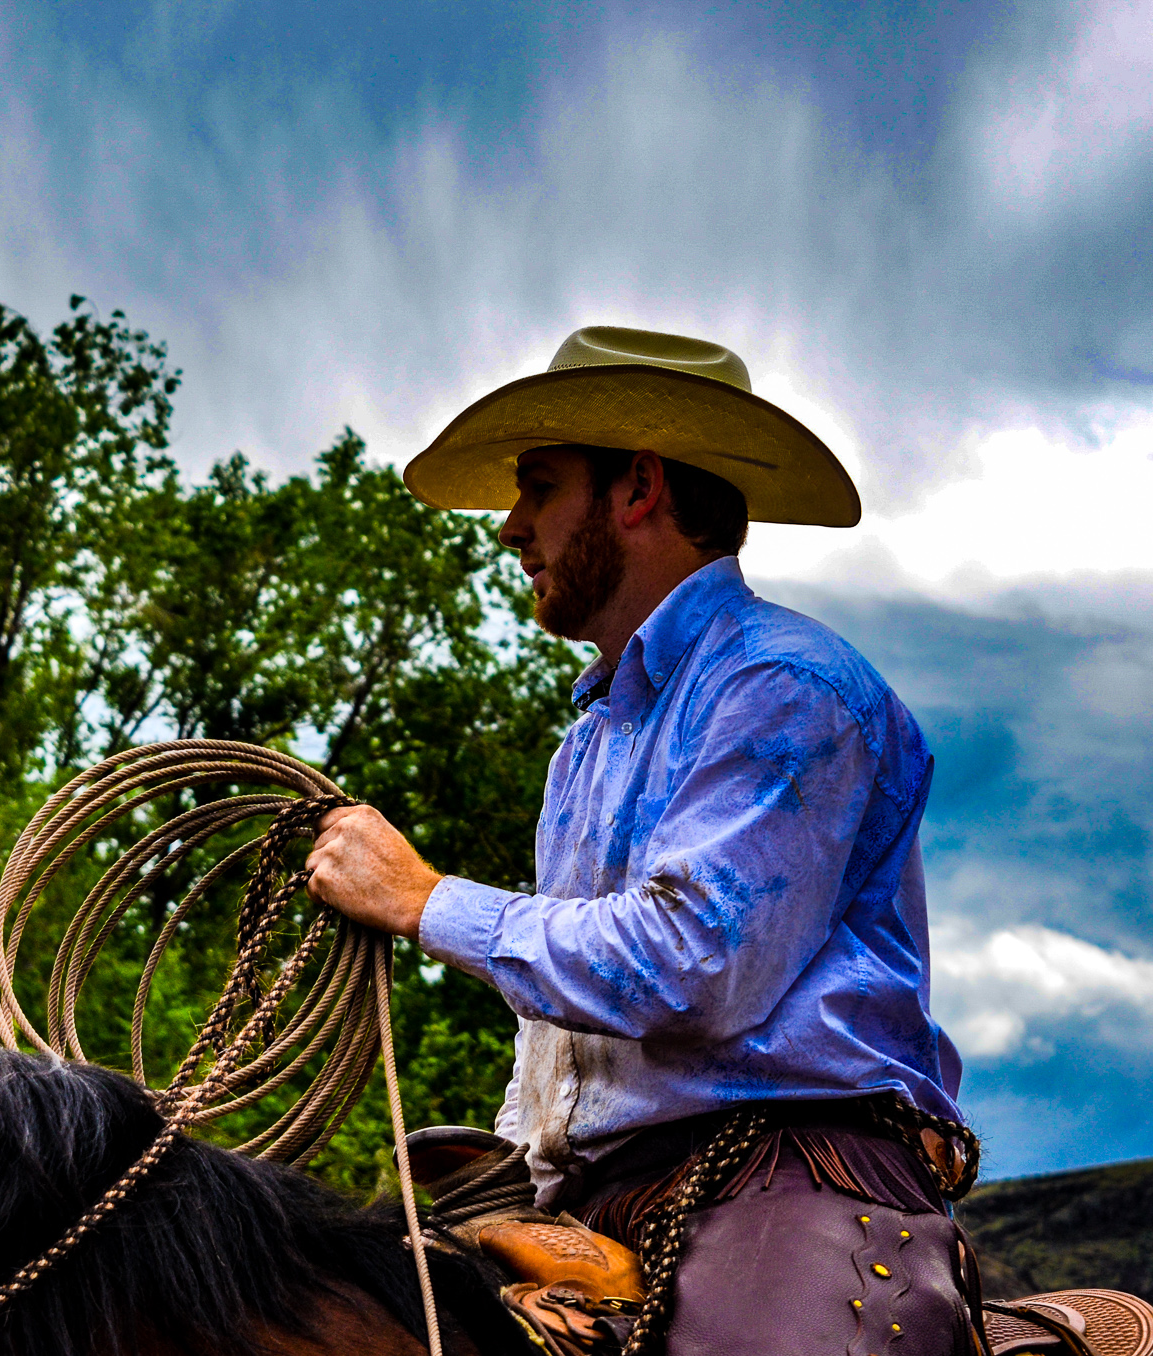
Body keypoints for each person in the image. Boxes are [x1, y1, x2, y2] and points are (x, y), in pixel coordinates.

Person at [305, 327, 980, 1355]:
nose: (510, 528)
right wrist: (515, 1161)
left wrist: (421, 899)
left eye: (537, 488)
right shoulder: (586, 746)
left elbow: (692, 965)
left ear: (637, 490)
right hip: (595, 1187)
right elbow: (567, 1035)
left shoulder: (782, 686)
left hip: (789, 1170)